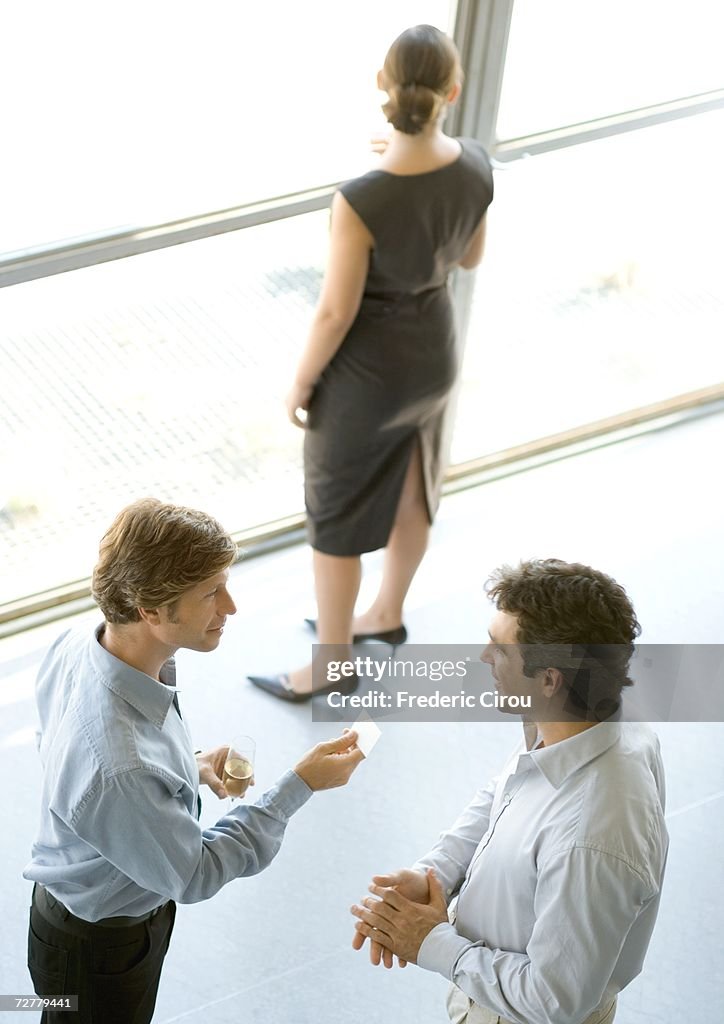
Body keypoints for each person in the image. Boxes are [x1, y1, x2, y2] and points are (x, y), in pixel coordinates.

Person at [24, 498, 364, 1024]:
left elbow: (80, 762)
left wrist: (189, 768)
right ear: (151, 610)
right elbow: (194, 874)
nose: (230, 606)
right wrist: (301, 784)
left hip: (69, 917)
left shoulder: (78, 644)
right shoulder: (123, 766)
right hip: (100, 953)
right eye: (210, 593)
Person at [248, 24, 493, 701]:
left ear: (382, 86)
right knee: (414, 486)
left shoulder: (359, 198)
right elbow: (468, 257)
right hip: (432, 357)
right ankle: (385, 615)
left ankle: (332, 664)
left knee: (336, 517)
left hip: (367, 379)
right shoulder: (475, 163)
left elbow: (335, 312)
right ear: (454, 90)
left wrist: (301, 382)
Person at [350, 559, 669, 1024]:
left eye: (499, 648)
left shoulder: (591, 836)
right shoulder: (583, 724)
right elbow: (506, 792)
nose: (483, 657)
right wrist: (437, 874)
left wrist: (431, 942)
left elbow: (553, 1001)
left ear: (549, 679)